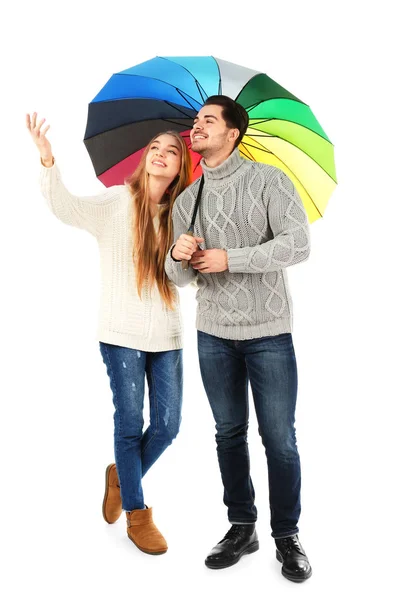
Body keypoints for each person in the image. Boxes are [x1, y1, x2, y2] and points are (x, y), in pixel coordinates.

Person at [27, 113, 192, 555]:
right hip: (121, 331)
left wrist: (188, 253)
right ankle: (138, 515)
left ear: (181, 165)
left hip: (168, 335)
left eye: (172, 150)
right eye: (155, 147)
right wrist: (48, 161)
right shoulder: (118, 201)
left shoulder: (184, 215)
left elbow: (186, 280)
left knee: (169, 425)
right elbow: (67, 207)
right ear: (144, 157)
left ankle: (121, 474)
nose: (161, 153)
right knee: (128, 421)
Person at [165, 95, 312, 581]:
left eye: (208, 120)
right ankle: (241, 526)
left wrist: (233, 258)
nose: (196, 127)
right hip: (213, 334)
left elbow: (298, 243)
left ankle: (287, 536)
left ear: (233, 133)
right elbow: (180, 279)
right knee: (228, 434)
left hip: (269, 332)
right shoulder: (188, 199)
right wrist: (178, 253)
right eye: (196, 120)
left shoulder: (270, 181)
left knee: (279, 440)